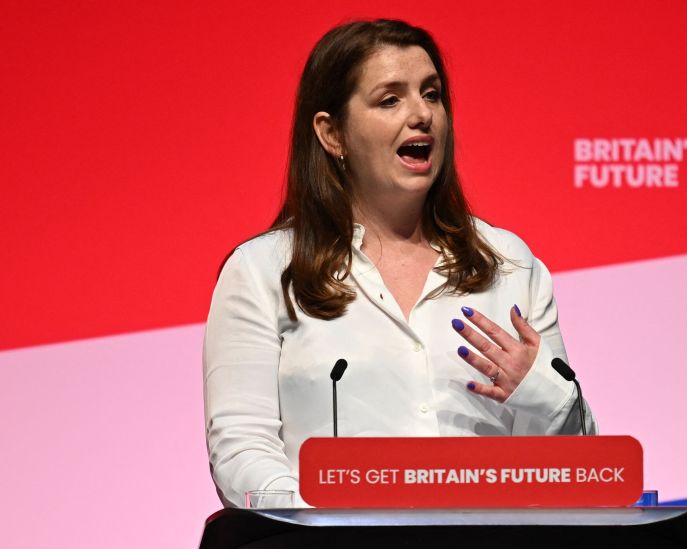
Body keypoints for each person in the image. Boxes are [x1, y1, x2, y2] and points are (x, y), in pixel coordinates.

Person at [203, 19, 597, 507]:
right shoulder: (263, 271)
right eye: (390, 99)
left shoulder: (509, 264)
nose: (422, 115)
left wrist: (538, 388)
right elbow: (241, 449)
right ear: (332, 134)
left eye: (431, 94)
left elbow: (579, 464)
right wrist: (321, 529)